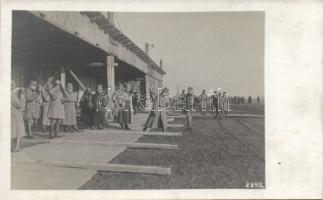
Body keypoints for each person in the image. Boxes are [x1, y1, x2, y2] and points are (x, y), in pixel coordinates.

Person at [11, 80, 26, 152]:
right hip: (15, 113)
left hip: (10, 113)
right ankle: (17, 146)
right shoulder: (12, 94)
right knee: (17, 130)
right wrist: (22, 96)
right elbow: (20, 105)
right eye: (14, 85)